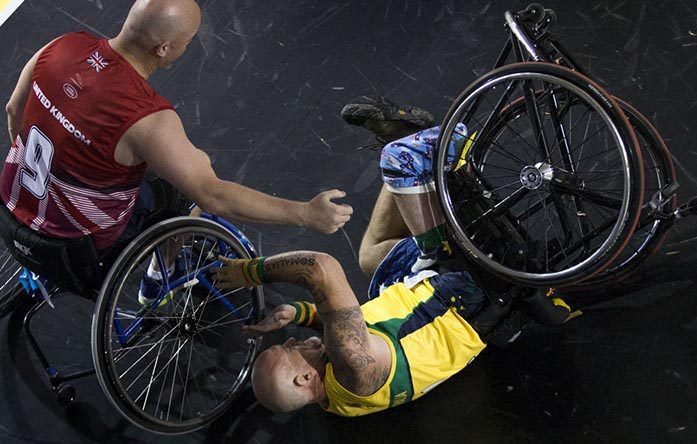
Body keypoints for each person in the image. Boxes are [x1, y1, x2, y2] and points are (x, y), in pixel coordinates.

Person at [211, 97, 572, 416]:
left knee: (370, 258)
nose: (288, 340)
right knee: (397, 162)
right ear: (305, 378)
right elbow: (321, 269)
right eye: (287, 350)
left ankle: (411, 158)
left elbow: (339, 335)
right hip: (464, 294)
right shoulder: (354, 370)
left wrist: (302, 313)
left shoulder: (338, 397)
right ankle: (445, 152)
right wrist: (251, 271)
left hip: (412, 292)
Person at [0, 0, 352, 296]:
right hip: (77, 252)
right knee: (189, 189)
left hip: (10, 210)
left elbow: (14, 111)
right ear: (164, 48)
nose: (188, 47)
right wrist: (306, 214)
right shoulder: (147, 118)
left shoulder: (61, 45)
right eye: (188, 40)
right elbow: (215, 196)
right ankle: (158, 278)